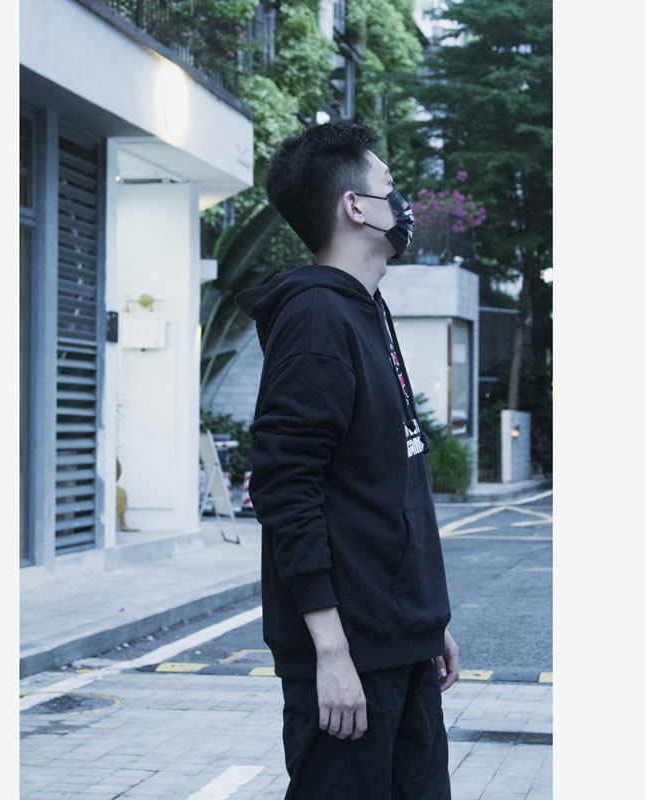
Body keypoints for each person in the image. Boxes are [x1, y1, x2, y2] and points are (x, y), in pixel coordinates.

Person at [236, 121, 459, 800]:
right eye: (390, 187)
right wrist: (330, 653)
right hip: (350, 664)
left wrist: (428, 622)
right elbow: (284, 488)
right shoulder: (316, 319)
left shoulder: (366, 309)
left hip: (402, 642)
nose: (404, 204)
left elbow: (388, 479)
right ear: (355, 206)